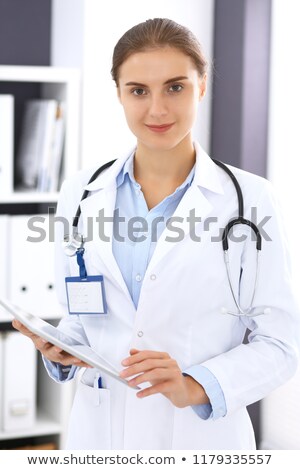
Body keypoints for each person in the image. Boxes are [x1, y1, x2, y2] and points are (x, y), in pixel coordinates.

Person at [13, 18, 299, 450]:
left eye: (175, 87)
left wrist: (194, 384)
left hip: (198, 440)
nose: (157, 110)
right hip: (98, 438)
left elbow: (280, 344)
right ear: (119, 94)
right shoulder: (81, 192)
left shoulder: (251, 200)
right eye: (139, 90)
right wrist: (64, 348)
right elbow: (83, 314)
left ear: (202, 86)